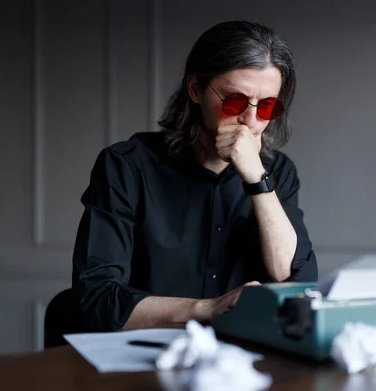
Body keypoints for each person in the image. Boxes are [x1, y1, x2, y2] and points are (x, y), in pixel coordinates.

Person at [70, 20, 318, 333]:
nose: (251, 120)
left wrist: (257, 179)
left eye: (267, 106)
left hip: (239, 364)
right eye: (235, 100)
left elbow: (296, 282)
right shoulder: (126, 166)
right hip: (143, 358)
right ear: (196, 89)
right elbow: (96, 299)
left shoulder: (278, 172)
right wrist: (208, 309)